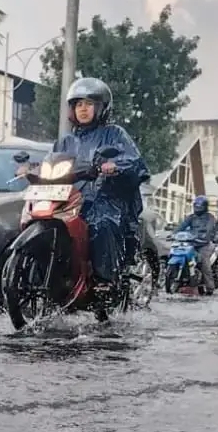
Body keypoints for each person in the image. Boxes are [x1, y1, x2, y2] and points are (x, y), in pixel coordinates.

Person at [52, 77, 150, 294]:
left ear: (101, 108)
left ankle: (105, 280)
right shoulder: (65, 141)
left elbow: (135, 163)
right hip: (71, 200)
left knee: (102, 223)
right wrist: (31, 169)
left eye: (89, 104)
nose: (83, 109)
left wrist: (114, 166)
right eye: (78, 104)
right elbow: (51, 163)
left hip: (107, 199)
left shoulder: (114, 134)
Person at [176, 195, 218, 292]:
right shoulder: (191, 217)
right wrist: (173, 234)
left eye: (200, 207)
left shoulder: (210, 218)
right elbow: (182, 226)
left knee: (204, 263)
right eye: (196, 206)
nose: (197, 208)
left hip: (205, 243)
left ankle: (210, 287)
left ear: (205, 207)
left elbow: (209, 229)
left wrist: (204, 236)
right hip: (192, 243)